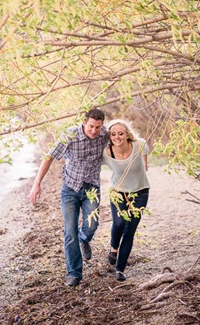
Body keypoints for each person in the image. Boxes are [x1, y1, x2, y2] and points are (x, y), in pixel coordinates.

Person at [29, 108, 108, 287]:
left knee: (92, 224)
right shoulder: (70, 135)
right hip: (70, 189)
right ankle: (74, 273)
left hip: (91, 188)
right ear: (84, 122)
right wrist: (37, 183)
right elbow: (49, 157)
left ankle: (85, 239)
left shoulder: (105, 135)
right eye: (91, 126)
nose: (94, 131)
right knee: (70, 232)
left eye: (97, 127)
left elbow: (123, 141)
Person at [102, 119, 150, 282]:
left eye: (121, 134)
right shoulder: (106, 152)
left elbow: (145, 157)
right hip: (118, 192)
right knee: (119, 222)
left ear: (127, 134)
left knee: (130, 230)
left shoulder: (140, 144)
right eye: (113, 134)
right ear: (109, 136)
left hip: (140, 192)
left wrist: (144, 164)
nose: (117, 137)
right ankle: (113, 249)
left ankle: (120, 269)